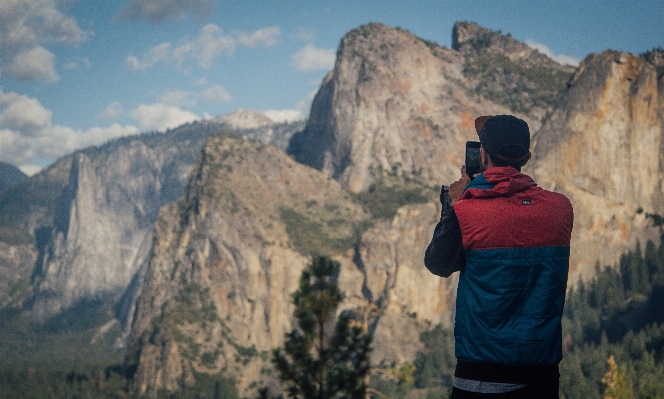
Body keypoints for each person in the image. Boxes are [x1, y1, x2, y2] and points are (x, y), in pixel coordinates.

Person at [424, 115, 574, 398]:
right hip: (542, 376)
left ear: (482, 155)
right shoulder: (561, 208)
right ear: (526, 158)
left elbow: (438, 263)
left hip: (481, 376)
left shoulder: (468, 211)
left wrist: (454, 204)